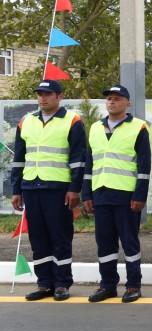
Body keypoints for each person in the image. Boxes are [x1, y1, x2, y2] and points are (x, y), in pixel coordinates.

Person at [10, 80, 86, 301]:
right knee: (38, 237)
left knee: (60, 236)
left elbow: (78, 159)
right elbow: (18, 159)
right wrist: (17, 189)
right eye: (40, 94)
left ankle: (62, 283)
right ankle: (44, 283)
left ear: (59, 96)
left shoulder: (72, 120)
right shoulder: (26, 122)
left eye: (48, 94)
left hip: (58, 188)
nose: (43, 98)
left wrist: (74, 189)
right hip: (31, 186)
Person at [81, 84, 150, 303]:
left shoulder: (138, 127)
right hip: (100, 193)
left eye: (117, 98)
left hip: (126, 195)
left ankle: (133, 285)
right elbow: (89, 164)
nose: (112, 102)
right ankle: (108, 285)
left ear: (127, 103)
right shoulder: (95, 128)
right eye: (109, 98)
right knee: (105, 244)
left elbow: (144, 165)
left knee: (129, 243)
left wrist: (140, 196)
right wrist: (86, 195)